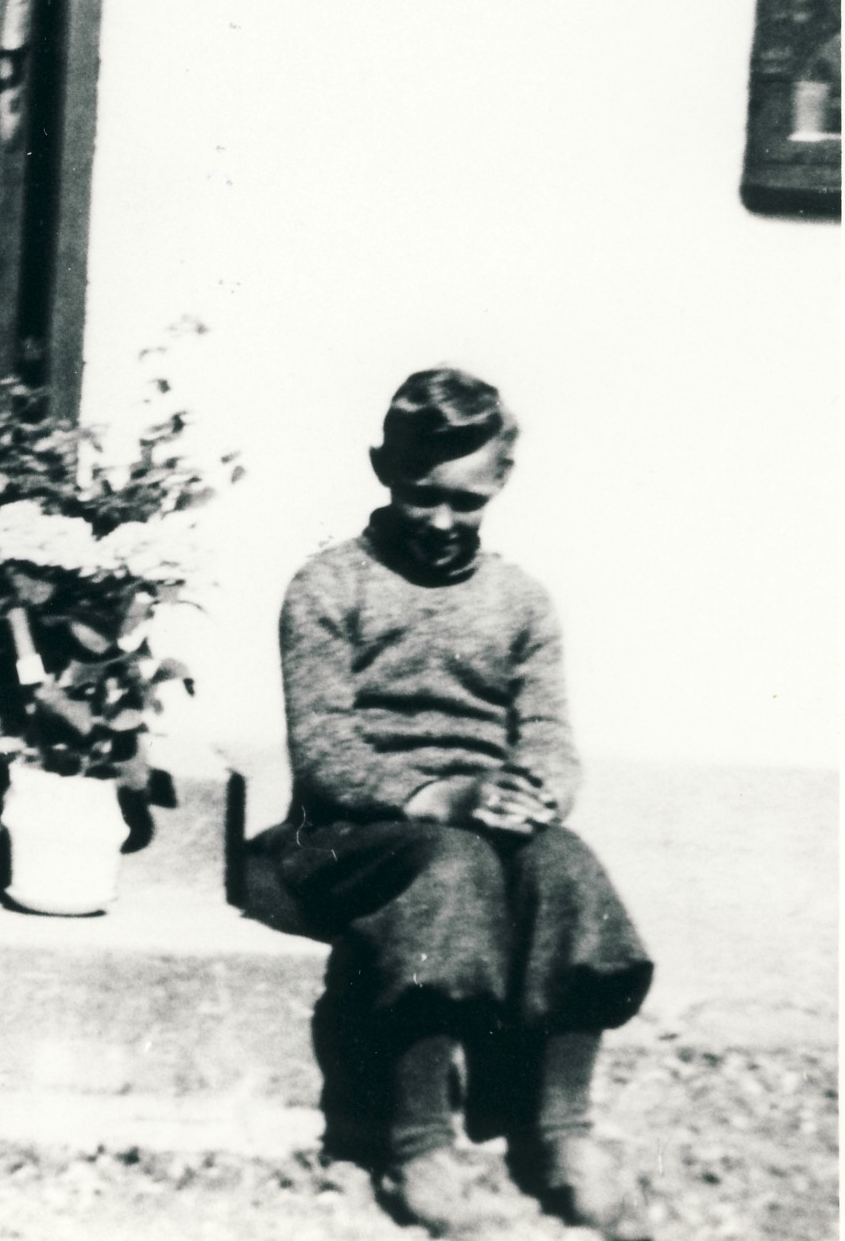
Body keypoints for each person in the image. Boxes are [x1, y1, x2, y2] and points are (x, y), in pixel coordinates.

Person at [252, 368, 652, 1239]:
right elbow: (324, 751)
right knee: (452, 865)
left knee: (567, 865)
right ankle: (419, 1141)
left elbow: (546, 734)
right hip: (348, 832)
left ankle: (562, 1130)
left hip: (473, 819)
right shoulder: (329, 586)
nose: (439, 520)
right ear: (380, 468)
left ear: (500, 481)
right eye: (418, 493)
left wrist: (535, 793)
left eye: (464, 501)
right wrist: (434, 795)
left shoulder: (519, 601)